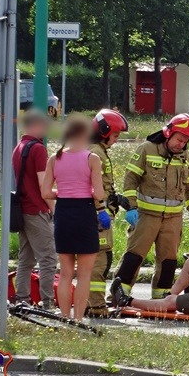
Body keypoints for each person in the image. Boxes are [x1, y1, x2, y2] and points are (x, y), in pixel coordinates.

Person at [114, 114, 189, 299]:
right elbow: (131, 179)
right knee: (134, 256)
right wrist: (131, 207)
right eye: (179, 139)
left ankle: (160, 297)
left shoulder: (186, 156)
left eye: (186, 141)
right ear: (169, 133)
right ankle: (119, 293)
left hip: (173, 219)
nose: (181, 144)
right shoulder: (147, 149)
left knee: (168, 260)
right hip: (146, 216)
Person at [41, 115, 106, 321]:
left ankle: (64, 317)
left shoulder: (54, 158)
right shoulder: (92, 158)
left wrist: (63, 192)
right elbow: (99, 194)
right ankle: (78, 319)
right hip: (84, 213)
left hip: (64, 213)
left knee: (66, 273)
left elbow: (45, 193)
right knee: (84, 274)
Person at [11, 111, 57, 309]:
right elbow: (43, 186)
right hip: (37, 209)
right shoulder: (38, 149)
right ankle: (48, 303)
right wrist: (53, 209)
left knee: (26, 259)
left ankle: (22, 299)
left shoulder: (19, 147)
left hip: (22, 210)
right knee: (48, 258)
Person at [86, 109, 129, 317]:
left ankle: (89, 303)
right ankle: (96, 307)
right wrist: (101, 208)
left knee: (97, 259)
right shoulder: (96, 153)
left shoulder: (97, 150)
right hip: (97, 215)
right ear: (104, 131)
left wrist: (116, 199)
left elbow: (101, 186)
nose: (116, 140)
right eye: (116, 135)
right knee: (100, 261)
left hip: (98, 212)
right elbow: (93, 187)